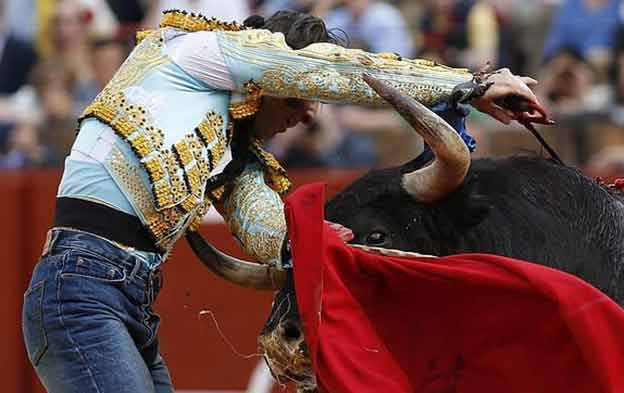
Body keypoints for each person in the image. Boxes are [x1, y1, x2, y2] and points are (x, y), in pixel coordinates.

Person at [21, 9, 541, 393]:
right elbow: (331, 70)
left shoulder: (231, 156)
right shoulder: (189, 53)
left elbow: (271, 232)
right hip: (80, 289)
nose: (309, 114)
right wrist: (468, 85)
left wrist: (337, 247)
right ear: (266, 78)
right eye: (297, 96)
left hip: (121, 302)